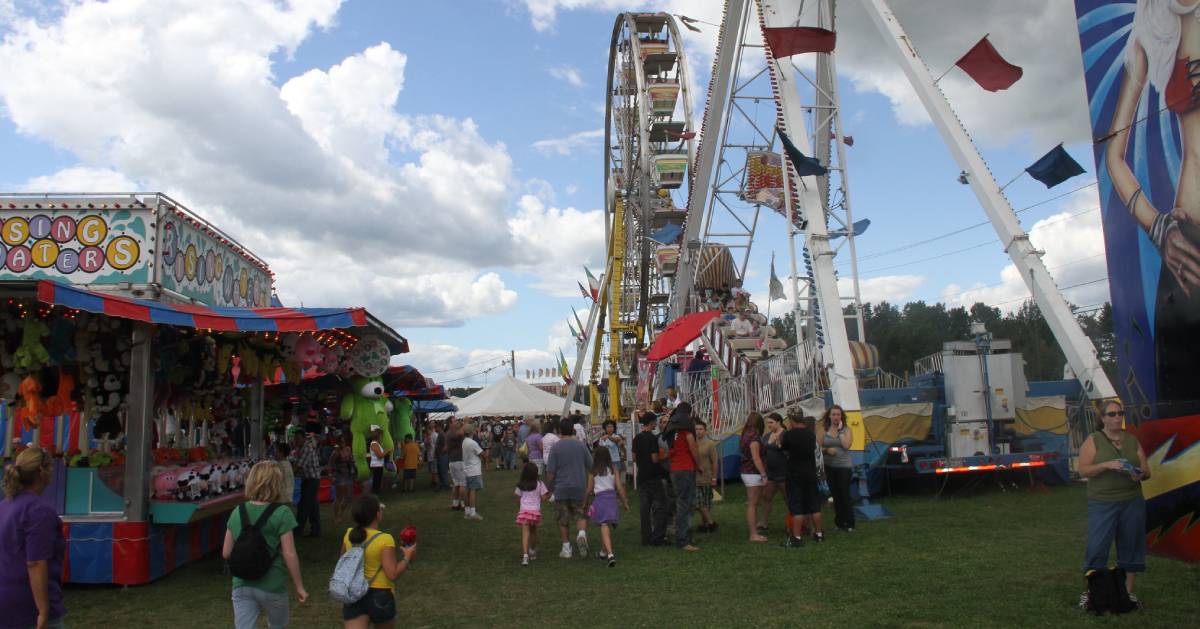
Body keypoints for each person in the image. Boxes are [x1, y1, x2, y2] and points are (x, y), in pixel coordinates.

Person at [1077, 400, 1150, 605]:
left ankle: (1127, 593)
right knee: (1097, 546)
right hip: (1103, 502)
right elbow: (1083, 470)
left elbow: (1147, 471)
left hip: (1132, 500)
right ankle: (1092, 593)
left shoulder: (1132, 441)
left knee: (1132, 545)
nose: (1117, 417)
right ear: (1102, 419)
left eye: (1120, 413)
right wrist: (1107, 465)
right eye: (1111, 414)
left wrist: (1140, 474)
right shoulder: (1094, 440)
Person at [222, 461, 308, 629]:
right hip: (272, 584)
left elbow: (226, 553)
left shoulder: (237, 512)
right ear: (277, 484)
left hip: (241, 584)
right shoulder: (282, 513)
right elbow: (289, 554)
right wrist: (299, 586)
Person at [1, 446, 65, 629]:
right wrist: (43, 611)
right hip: (28, 607)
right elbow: (35, 562)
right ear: (41, 471)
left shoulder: (5, 506)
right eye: (51, 466)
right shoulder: (39, 511)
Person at [339, 495, 417, 629]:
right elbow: (392, 574)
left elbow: (343, 561)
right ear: (377, 515)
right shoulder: (384, 539)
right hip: (380, 595)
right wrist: (407, 557)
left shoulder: (349, 535)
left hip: (353, 594)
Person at [545, 420, 592, 559]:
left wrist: (548, 488)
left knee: (562, 518)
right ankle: (582, 534)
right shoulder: (581, 445)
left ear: (559, 430)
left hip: (561, 487)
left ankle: (566, 548)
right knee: (581, 513)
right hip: (579, 485)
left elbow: (550, 472)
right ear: (573, 429)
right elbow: (591, 466)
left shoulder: (556, 447)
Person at [780, 415, 823, 547]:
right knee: (814, 505)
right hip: (810, 473)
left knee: (796, 506)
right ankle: (819, 534)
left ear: (792, 421)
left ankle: (796, 537)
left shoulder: (789, 435)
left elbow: (784, 449)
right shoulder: (811, 434)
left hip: (795, 475)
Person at [586, 446, 630, 567]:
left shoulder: (593, 471)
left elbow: (589, 489)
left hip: (600, 499)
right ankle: (603, 552)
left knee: (604, 525)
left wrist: (585, 502)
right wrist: (625, 502)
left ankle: (610, 554)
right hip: (612, 499)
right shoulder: (613, 469)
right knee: (606, 527)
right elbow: (619, 487)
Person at [665, 404, 701, 552]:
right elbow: (693, 448)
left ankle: (683, 536)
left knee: (681, 503)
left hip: (675, 469)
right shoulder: (687, 430)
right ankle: (684, 540)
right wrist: (699, 465)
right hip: (686, 469)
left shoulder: (671, 430)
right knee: (685, 505)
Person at [632, 411, 669, 546]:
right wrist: (665, 455)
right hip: (653, 476)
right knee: (660, 507)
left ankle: (645, 538)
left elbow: (634, 458)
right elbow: (655, 458)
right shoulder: (652, 439)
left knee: (644, 509)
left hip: (642, 476)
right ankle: (658, 537)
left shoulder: (637, 438)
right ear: (652, 422)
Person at [821, 405, 855, 532]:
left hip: (843, 466)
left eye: (838, 414)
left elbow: (846, 445)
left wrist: (840, 431)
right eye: (833, 414)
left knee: (844, 494)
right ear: (829, 416)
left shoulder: (846, 429)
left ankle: (850, 523)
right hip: (829, 466)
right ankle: (839, 522)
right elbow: (818, 447)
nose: (836, 417)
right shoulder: (824, 429)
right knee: (835, 495)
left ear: (842, 417)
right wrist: (826, 450)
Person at [739, 413, 769, 542]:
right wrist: (763, 474)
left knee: (752, 503)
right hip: (753, 472)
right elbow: (756, 457)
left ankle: (754, 532)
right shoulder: (754, 438)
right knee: (753, 504)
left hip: (746, 471)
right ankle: (753, 534)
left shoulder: (745, 435)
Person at [757, 413, 788, 536]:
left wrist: (776, 444)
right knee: (766, 497)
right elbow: (762, 449)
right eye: (768, 423)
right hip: (770, 472)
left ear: (779, 422)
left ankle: (791, 523)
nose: (768, 425)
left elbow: (785, 450)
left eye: (771, 422)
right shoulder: (766, 436)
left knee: (788, 498)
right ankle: (764, 522)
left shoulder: (785, 434)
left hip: (783, 472)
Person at [514, 462, 549, 566]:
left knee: (525, 534)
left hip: (524, 511)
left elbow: (517, 498)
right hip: (535, 513)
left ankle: (525, 556)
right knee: (533, 532)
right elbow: (543, 498)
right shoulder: (540, 484)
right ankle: (532, 551)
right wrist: (548, 496)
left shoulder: (521, 485)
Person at [291, 432, 322, 537]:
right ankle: (316, 529)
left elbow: (298, 466)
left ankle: (298, 530)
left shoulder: (306, 450)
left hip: (311, 480)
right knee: (313, 505)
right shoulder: (300, 450)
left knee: (303, 505)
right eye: (295, 439)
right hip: (310, 480)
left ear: (304, 439)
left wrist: (288, 475)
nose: (295, 441)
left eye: (298, 439)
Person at [694, 420, 719, 533]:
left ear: (705, 430)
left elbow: (714, 462)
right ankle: (711, 523)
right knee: (698, 502)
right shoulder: (692, 443)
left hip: (707, 476)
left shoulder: (710, 444)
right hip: (694, 477)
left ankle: (705, 524)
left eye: (700, 429)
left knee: (706, 502)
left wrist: (714, 477)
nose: (698, 431)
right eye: (696, 429)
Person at [461, 424, 485, 521]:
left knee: (468, 491)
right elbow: (482, 453)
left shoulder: (464, 441)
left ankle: (467, 512)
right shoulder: (472, 442)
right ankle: (473, 513)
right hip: (474, 470)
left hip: (466, 469)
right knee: (473, 491)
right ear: (471, 432)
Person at [330, 442, 357, 524]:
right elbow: (330, 464)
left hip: (348, 475)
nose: (342, 443)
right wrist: (331, 475)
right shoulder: (335, 452)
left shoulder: (348, 449)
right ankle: (336, 517)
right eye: (341, 440)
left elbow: (351, 461)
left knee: (348, 497)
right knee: (339, 497)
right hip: (339, 476)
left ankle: (341, 514)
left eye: (344, 440)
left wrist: (352, 461)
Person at [446, 419, 466, 510]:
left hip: (453, 460)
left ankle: (455, 503)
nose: (456, 422)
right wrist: (464, 423)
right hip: (458, 460)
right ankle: (462, 504)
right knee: (462, 483)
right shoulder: (452, 432)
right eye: (454, 421)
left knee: (456, 483)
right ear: (450, 423)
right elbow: (462, 433)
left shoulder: (449, 432)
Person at [274, 442, 295, 509]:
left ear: (281, 453)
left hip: (281, 499)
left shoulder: (279, 465)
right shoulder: (288, 464)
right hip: (289, 497)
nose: (275, 453)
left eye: (276, 451)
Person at [367, 426, 387, 495]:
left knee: (377, 483)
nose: (381, 436)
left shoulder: (377, 444)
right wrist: (387, 451)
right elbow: (380, 456)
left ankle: (376, 498)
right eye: (380, 434)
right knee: (376, 484)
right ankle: (374, 498)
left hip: (378, 465)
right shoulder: (374, 444)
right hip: (376, 466)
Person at [433, 423, 448, 491]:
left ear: (439, 427)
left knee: (443, 471)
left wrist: (441, 453)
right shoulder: (440, 434)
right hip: (440, 455)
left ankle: (445, 485)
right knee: (440, 471)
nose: (435, 429)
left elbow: (446, 445)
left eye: (436, 427)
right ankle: (442, 484)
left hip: (443, 456)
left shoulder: (442, 434)